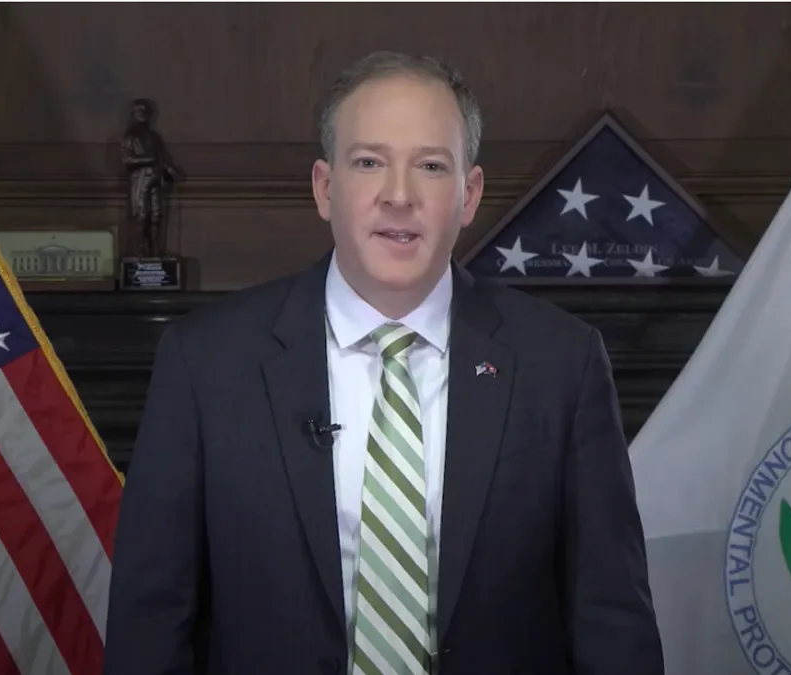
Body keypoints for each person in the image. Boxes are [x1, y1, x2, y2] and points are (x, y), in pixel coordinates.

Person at [104, 51, 664, 675]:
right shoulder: (206, 362)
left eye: (430, 166)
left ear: (469, 194)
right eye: (369, 162)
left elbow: (612, 620)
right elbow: (150, 621)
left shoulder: (562, 362)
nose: (399, 196)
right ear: (325, 187)